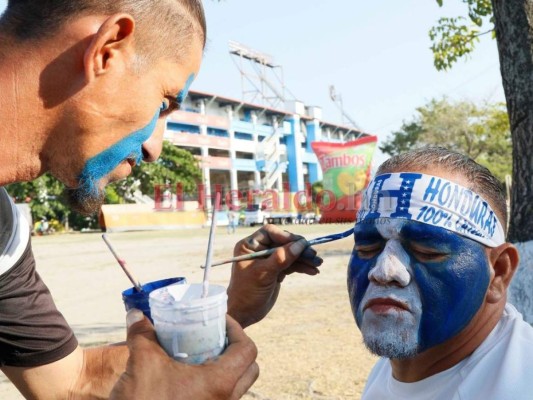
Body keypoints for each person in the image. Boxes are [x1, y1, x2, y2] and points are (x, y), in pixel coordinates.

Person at [0, 1, 323, 398]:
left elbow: (72, 382)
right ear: (107, 49)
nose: (155, 146)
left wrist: (221, 312)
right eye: (166, 102)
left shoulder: (4, 231)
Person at [347, 147, 533, 399]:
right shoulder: (412, 360)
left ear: (498, 272)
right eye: (367, 248)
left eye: (427, 251)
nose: (384, 271)